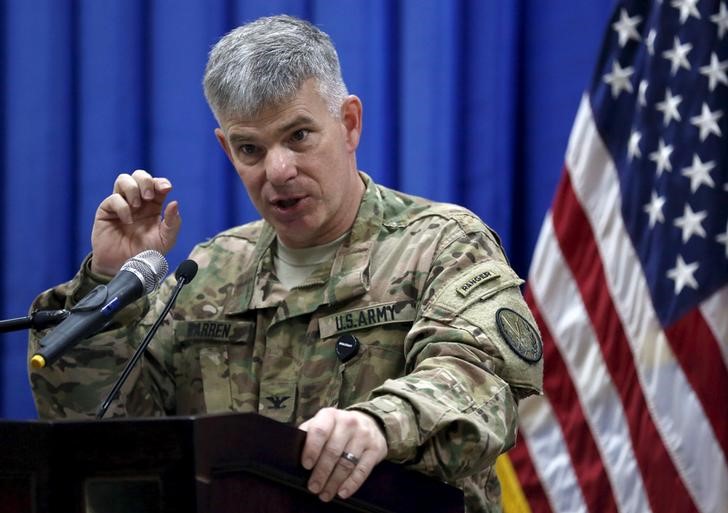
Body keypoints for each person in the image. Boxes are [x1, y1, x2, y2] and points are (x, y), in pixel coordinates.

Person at [28, 15, 543, 513]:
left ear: (349, 123)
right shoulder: (209, 271)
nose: (278, 171)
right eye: (251, 148)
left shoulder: (442, 245)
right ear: (227, 150)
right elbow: (102, 430)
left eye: (299, 136)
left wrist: (379, 425)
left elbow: (479, 385)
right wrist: (109, 286)